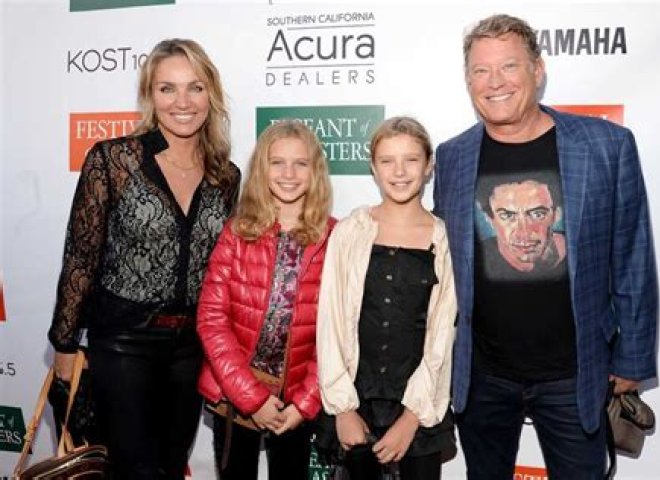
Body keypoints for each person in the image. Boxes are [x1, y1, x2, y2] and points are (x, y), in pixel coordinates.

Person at [433, 14, 659, 479]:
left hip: (574, 373)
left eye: (509, 66)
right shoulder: (452, 157)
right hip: (482, 374)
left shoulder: (605, 145)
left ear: (537, 70)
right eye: (481, 70)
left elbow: (632, 256)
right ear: (468, 80)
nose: (495, 82)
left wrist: (633, 358)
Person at [48, 38, 241, 479]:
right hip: (123, 341)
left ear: (211, 94)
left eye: (195, 87)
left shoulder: (226, 176)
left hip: (191, 348)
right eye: (167, 88)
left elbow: (221, 270)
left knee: (171, 465)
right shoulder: (114, 160)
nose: (182, 102)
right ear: (150, 95)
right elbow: (80, 257)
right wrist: (64, 345)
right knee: (134, 469)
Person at [316, 117, 457, 480]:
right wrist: (343, 408)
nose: (399, 172)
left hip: (419, 406)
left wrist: (412, 418)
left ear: (429, 165)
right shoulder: (350, 230)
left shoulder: (444, 239)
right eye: (387, 160)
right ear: (373, 167)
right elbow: (330, 323)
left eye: (411, 159)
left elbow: (443, 334)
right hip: (355, 402)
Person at [196, 119, 335, 480]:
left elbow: (338, 334)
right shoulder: (236, 232)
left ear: (315, 171)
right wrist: (251, 398)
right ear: (262, 168)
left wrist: (304, 403)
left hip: (297, 400)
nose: (288, 174)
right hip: (235, 395)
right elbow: (211, 320)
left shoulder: (336, 238)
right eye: (277, 162)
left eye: (300, 163)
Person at [476, 171, 566, 279]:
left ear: (556, 215)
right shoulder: (477, 259)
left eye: (538, 214)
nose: (524, 233)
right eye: (507, 215)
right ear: (489, 218)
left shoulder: (578, 249)